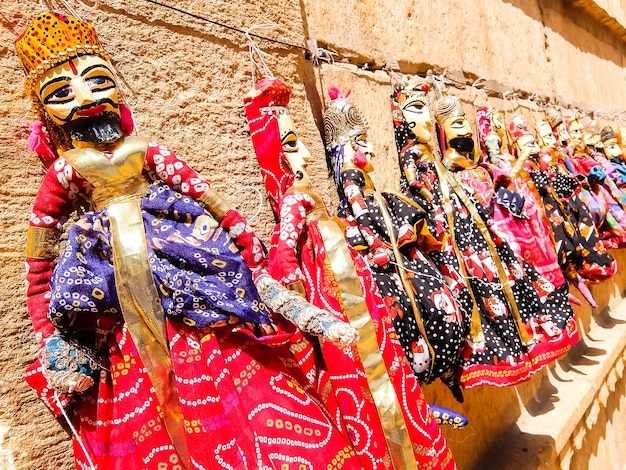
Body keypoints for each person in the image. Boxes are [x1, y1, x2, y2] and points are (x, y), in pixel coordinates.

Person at [17, 11, 369, 469]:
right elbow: (38, 262)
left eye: (96, 80)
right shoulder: (64, 174)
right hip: (120, 315)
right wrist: (50, 337)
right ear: (46, 112)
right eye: (63, 93)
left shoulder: (150, 154)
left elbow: (215, 204)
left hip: (194, 284)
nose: (85, 98)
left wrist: (254, 267)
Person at [244, 77, 457, 469]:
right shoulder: (293, 206)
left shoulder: (309, 200)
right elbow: (283, 263)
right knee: (364, 378)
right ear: (272, 153)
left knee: (384, 369)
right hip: (337, 306)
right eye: (290, 146)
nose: (305, 155)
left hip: (358, 301)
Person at [390, 84, 577, 389]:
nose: (424, 119)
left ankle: (522, 341)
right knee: (478, 291)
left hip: (472, 222)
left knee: (508, 276)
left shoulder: (455, 163)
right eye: (415, 110)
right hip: (452, 230)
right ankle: (490, 353)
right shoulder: (419, 159)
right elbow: (417, 187)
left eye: (426, 110)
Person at [323, 86, 467, 401]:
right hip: (384, 255)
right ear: (347, 149)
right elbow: (358, 207)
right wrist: (375, 242)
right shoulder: (352, 180)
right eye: (363, 143)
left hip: (394, 244)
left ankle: (446, 365)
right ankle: (433, 372)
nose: (372, 150)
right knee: (413, 312)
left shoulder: (376, 191)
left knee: (435, 303)